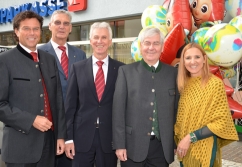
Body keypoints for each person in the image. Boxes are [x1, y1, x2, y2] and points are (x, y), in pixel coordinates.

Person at [0, 11, 66, 167]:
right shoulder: (3, 61)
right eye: (26, 28)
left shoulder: (49, 59)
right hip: (20, 149)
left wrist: (60, 136)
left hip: (49, 144)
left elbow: (58, 100)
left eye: (36, 29)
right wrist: (31, 120)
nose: (32, 33)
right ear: (17, 31)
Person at [112, 27, 179, 167]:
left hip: (161, 148)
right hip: (132, 146)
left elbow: (176, 111)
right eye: (147, 43)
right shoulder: (126, 72)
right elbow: (118, 112)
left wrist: (174, 143)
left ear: (162, 47)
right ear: (141, 46)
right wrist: (119, 145)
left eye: (156, 43)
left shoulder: (173, 73)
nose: (151, 47)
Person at [64, 22, 124, 167]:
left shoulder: (122, 69)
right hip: (81, 138)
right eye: (96, 37)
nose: (100, 41)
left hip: (109, 138)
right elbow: (70, 107)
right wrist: (68, 139)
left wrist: (122, 141)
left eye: (104, 37)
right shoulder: (77, 68)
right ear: (90, 41)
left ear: (110, 41)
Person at [174, 42, 238, 167]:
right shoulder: (183, 85)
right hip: (185, 148)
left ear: (204, 59)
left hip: (205, 144)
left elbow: (222, 121)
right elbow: (180, 119)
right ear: (183, 61)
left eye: (197, 57)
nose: (193, 61)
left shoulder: (215, 84)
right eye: (188, 58)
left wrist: (190, 137)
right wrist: (178, 141)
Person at [38, 10, 86, 167]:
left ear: (71, 28)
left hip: (74, 127)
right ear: (50, 26)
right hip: (48, 127)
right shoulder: (38, 54)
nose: (61, 27)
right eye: (57, 23)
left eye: (66, 23)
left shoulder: (80, 55)